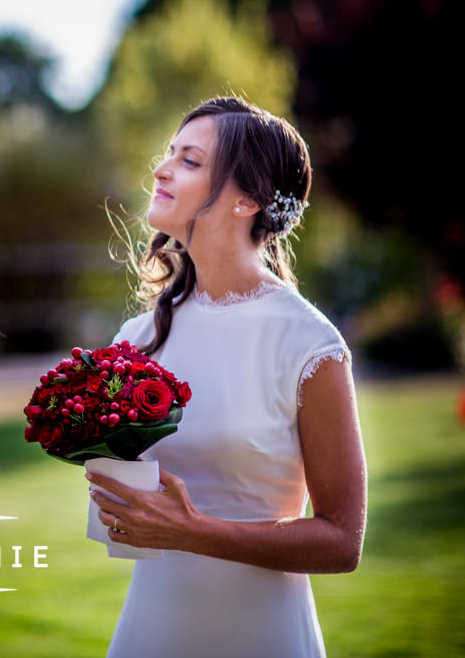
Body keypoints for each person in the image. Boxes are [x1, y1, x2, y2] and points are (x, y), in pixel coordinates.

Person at [87, 97, 366, 657]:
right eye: (170, 154)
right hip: (153, 628)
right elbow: (121, 516)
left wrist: (193, 531)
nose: (162, 169)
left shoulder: (308, 343)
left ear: (246, 200)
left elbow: (341, 541)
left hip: (265, 633)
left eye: (189, 161)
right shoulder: (135, 340)